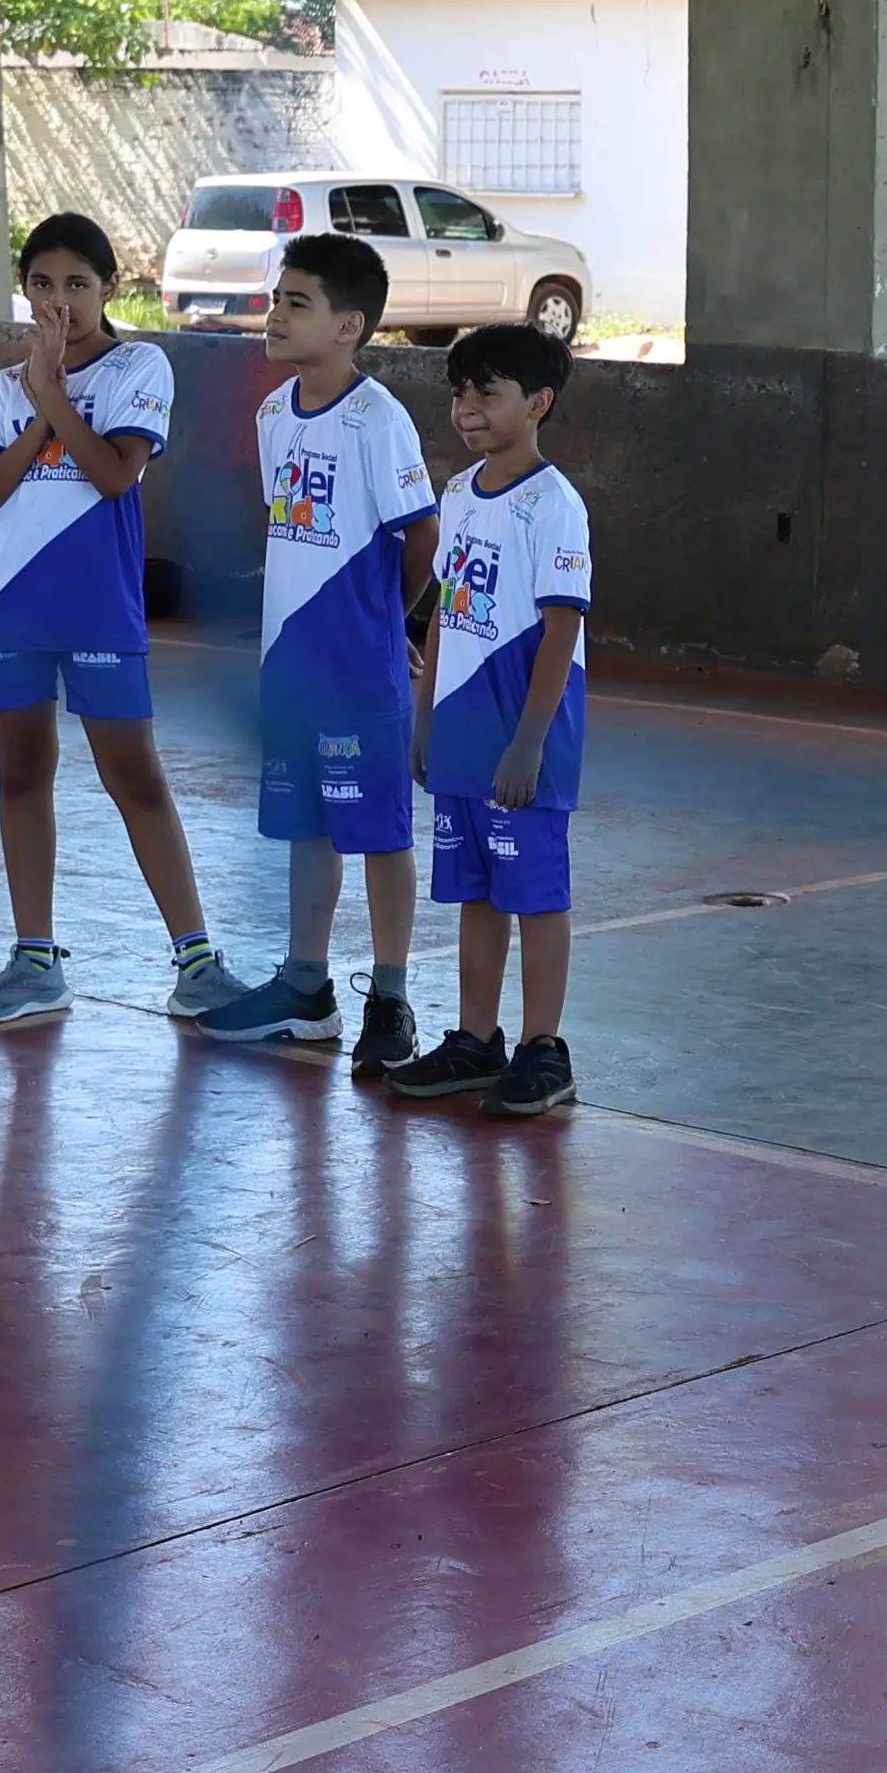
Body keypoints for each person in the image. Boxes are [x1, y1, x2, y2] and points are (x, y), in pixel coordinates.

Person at [0, 215, 236, 1033]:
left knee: (133, 772)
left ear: (110, 287)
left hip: (95, 606)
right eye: (42, 284)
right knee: (21, 772)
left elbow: (114, 475)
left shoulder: (139, 366)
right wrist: (39, 406)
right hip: (10, 604)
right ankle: (35, 958)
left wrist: (52, 401)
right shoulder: (12, 386)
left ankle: (196, 960)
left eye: (77, 283)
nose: (59, 300)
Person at [191, 230, 438, 1065]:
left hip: (356, 673)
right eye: (275, 298)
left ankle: (393, 1000)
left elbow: (421, 536)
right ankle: (306, 986)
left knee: (379, 832)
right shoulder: (271, 416)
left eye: (298, 303)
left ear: (349, 326)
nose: (275, 314)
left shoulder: (379, 421)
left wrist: (390, 622)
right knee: (307, 826)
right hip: (285, 670)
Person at [383, 322, 594, 1117]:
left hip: (521, 742)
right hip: (464, 734)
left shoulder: (554, 506)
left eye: (488, 392)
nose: (468, 408)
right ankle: (477, 1038)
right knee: (476, 892)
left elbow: (562, 625)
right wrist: (427, 718)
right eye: (460, 392)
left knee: (534, 894)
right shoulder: (459, 493)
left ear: (537, 403)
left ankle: (545, 1049)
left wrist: (530, 742)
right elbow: (444, 613)